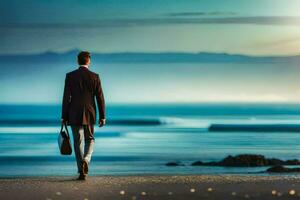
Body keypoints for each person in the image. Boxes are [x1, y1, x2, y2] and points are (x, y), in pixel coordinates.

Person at [61, 51, 106, 180]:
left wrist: (64, 116)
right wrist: (103, 116)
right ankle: (86, 159)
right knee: (90, 139)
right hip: (90, 112)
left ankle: (81, 171)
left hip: (73, 113)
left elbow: (66, 98)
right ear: (89, 61)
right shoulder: (95, 76)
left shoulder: (70, 76)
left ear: (77, 61)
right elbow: (100, 98)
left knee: (77, 142)